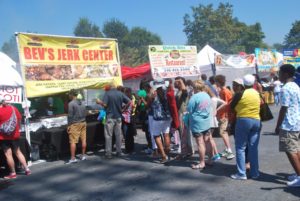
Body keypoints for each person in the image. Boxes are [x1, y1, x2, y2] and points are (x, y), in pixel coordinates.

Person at [230, 74, 261, 180]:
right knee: (253, 148)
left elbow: (231, 106)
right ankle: (255, 173)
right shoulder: (257, 93)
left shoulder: (240, 93)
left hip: (243, 119)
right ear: (253, 83)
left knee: (240, 147)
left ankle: (241, 173)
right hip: (256, 120)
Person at [275, 64, 300, 187]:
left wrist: (278, 125)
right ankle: (298, 174)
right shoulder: (296, 86)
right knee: (296, 149)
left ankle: (299, 177)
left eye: (279, 72)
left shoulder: (285, 88)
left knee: (290, 150)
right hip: (297, 122)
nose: (278, 75)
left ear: (285, 74)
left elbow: (284, 108)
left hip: (288, 123)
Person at [97, 83, 131, 159]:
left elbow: (105, 105)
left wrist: (99, 102)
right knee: (118, 135)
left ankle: (108, 153)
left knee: (108, 136)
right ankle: (119, 152)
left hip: (110, 117)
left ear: (109, 87)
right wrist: (123, 109)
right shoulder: (120, 93)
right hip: (118, 117)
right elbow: (129, 102)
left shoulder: (107, 94)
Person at [0, 97, 31, 179]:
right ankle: (27, 169)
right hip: (15, 134)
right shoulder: (13, 108)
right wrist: (18, 129)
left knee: (8, 155)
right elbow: (19, 119)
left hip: (3, 136)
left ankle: (13, 173)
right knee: (18, 152)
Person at [187, 80, 212, 170]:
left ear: (195, 87)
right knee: (207, 141)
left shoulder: (194, 97)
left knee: (200, 143)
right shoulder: (207, 95)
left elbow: (189, 109)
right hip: (206, 121)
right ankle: (210, 159)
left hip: (197, 122)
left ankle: (202, 162)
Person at [149, 79, 172, 163]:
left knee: (156, 136)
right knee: (166, 134)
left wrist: (151, 94)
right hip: (167, 117)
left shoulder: (154, 94)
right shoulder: (167, 93)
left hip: (157, 118)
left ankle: (163, 156)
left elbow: (149, 104)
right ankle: (167, 152)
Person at [214, 75, 235, 160]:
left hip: (224, 115)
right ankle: (227, 149)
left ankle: (229, 150)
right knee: (222, 132)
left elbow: (227, 104)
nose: (215, 83)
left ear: (218, 82)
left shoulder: (225, 91)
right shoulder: (223, 90)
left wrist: (222, 112)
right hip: (222, 114)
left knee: (223, 132)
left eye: (216, 82)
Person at [174, 76, 194, 159]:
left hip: (184, 113)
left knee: (184, 133)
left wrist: (181, 81)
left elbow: (185, 93)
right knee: (184, 133)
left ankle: (185, 152)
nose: (176, 83)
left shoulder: (185, 90)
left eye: (178, 82)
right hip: (181, 113)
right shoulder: (178, 91)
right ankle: (188, 151)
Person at [66, 89, 87, 164]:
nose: (68, 96)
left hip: (75, 124)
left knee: (73, 141)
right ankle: (83, 155)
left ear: (72, 95)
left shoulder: (71, 104)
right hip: (83, 122)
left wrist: (68, 125)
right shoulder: (82, 102)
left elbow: (70, 116)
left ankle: (73, 158)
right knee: (83, 140)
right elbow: (85, 113)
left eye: (69, 94)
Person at [122, 87, 137, 154]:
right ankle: (131, 148)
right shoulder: (132, 98)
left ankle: (128, 149)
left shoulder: (126, 100)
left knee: (126, 134)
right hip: (130, 117)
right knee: (130, 134)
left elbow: (123, 107)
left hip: (125, 118)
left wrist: (123, 109)